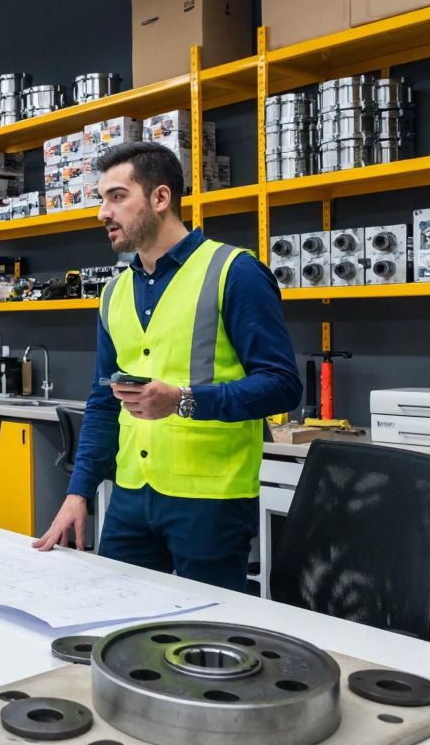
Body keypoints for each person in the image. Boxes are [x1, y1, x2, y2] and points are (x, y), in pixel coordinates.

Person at [33, 142, 302, 592]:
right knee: (118, 623)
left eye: (117, 197)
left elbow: (281, 386)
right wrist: (78, 493)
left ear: (160, 198)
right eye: (102, 199)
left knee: (209, 642)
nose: (103, 212)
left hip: (210, 501)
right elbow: (103, 404)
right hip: (130, 497)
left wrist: (182, 401)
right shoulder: (114, 293)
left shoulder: (233, 271)